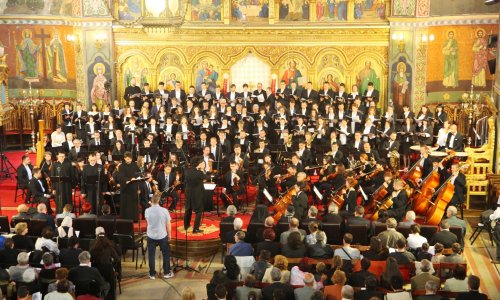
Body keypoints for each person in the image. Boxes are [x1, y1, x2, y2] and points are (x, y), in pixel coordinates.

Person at [145, 194, 173, 279]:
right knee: (166, 254)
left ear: (151, 201)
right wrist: (169, 235)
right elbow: (168, 224)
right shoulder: (164, 210)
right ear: (159, 201)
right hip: (162, 235)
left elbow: (148, 222)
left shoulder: (147, 210)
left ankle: (152, 274)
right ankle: (167, 272)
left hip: (151, 235)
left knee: (151, 254)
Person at [90, 229, 120, 300]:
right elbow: (117, 259)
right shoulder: (109, 247)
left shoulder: (93, 249)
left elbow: (90, 260)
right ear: (106, 238)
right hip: (108, 269)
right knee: (111, 284)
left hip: (96, 269)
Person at [184, 157, 209, 233]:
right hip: (197, 194)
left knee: (188, 209)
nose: (204, 165)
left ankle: (186, 225)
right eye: (203, 163)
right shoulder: (199, 173)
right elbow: (207, 177)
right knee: (199, 211)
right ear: (200, 164)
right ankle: (196, 228)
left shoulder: (187, 170)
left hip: (188, 193)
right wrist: (205, 170)